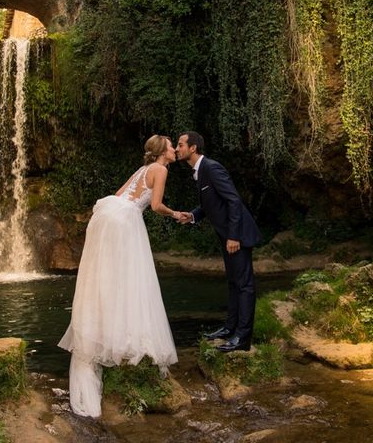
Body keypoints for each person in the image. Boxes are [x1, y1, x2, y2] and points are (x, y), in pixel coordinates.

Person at [58, 135, 180, 418]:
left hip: (110, 211)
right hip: (125, 220)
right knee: (132, 277)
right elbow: (156, 205)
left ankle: (104, 332)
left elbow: (119, 193)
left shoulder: (141, 170)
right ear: (163, 152)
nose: (175, 148)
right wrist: (177, 214)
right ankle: (127, 337)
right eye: (171, 145)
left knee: (111, 274)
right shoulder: (160, 169)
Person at [176, 131, 261, 352]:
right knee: (233, 283)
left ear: (193, 148)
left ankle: (242, 339)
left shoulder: (211, 168)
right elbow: (210, 204)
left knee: (244, 285)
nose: (177, 149)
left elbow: (233, 200)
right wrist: (192, 215)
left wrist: (233, 236)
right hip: (227, 236)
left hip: (237, 236)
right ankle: (229, 328)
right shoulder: (199, 171)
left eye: (180, 145)